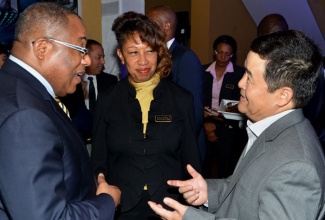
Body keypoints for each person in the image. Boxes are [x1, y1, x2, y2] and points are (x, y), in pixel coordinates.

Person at [148, 30, 325, 219]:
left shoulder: (298, 167)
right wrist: (209, 191)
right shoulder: (272, 130)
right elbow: (245, 188)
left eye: (249, 77)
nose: (241, 83)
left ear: (283, 96)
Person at [0, 2, 120, 219]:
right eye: (81, 49)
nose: (86, 60)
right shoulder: (25, 116)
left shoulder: (19, 89)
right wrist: (106, 201)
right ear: (42, 48)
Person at [90, 11, 201, 220]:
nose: (143, 61)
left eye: (149, 51)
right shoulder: (107, 100)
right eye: (133, 52)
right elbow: (98, 158)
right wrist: (102, 182)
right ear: (121, 55)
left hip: (169, 204)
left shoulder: (181, 99)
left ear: (158, 53)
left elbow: (191, 160)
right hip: (122, 205)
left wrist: (191, 202)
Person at [257, 13, 325, 151]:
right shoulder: (274, 63)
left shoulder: (304, 64)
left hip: (305, 144)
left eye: (269, 37)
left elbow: (313, 113)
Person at [147, 5, 205, 162]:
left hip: (180, 150)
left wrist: (177, 146)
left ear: (166, 26)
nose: (146, 30)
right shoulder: (154, 56)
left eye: (150, 24)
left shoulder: (185, 57)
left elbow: (193, 111)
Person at [202, 35, 247, 178]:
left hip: (228, 129)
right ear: (214, 51)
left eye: (227, 54)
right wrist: (207, 125)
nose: (222, 57)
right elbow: (195, 101)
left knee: (226, 169)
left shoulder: (240, 74)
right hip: (204, 125)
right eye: (219, 52)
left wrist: (217, 124)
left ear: (232, 55)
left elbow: (239, 106)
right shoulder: (202, 72)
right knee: (203, 167)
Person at [60, 39, 118, 145]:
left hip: (104, 143)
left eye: (103, 57)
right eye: (98, 57)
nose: (103, 62)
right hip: (77, 142)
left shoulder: (111, 82)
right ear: (84, 57)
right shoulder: (69, 83)